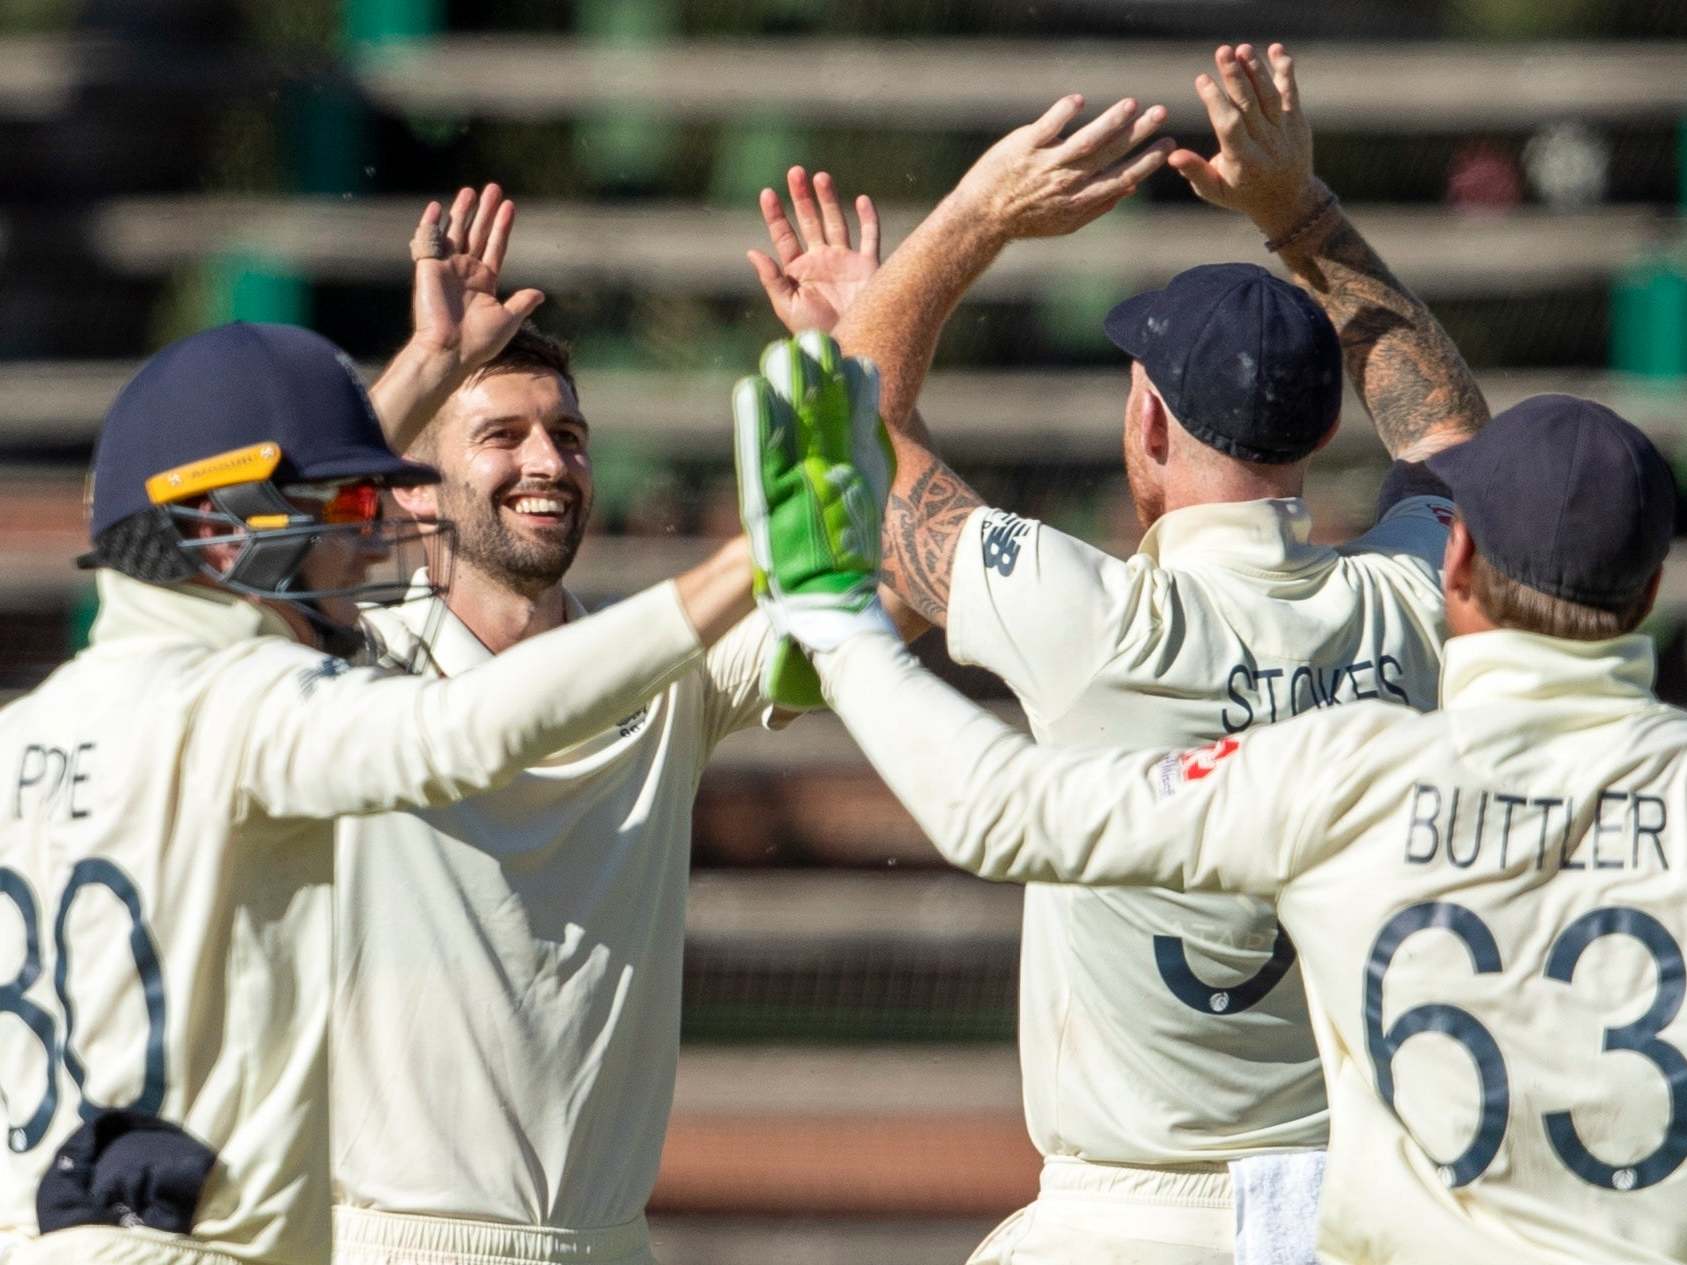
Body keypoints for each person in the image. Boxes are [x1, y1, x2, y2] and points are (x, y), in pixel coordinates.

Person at [750, 43, 1488, 1263]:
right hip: (1350, 1215)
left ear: (1147, 418)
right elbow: (1450, 433)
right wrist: (1301, 212)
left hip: (1126, 1219)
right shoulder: (1410, 592)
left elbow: (846, 435)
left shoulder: (1091, 618)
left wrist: (976, 218)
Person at [748, 338, 1687, 1265]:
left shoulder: (1347, 770)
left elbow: (997, 808)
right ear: (1649, 589)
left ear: (1458, 558)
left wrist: (838, 624)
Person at [0, 312, 758, 1260]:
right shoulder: (249, 709)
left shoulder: (24, 730)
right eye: (340, 517)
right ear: (215, 530)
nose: (368, 550)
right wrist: (746, 563)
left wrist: (419, 372)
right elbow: (471, 729)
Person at [330, 187, 785, 1265]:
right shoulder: (348, 667)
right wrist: (428, 361)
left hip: (606, 1243)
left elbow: (877, 597)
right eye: (500, 434)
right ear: (410, 489)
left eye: (567, 434)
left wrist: (850, 357)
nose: (547, 461)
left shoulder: (667, 662)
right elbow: (262, 544)